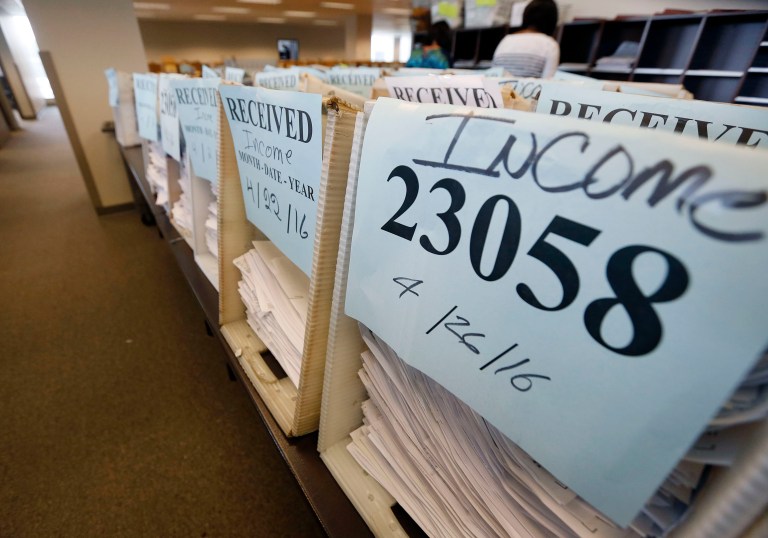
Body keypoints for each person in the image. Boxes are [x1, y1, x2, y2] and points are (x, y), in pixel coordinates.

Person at [492, 0, 560, 78]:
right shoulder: (550, 44)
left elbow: (493, 75)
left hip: (499, 89)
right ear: (552, 21)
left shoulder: (505, 40)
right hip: (531, 89)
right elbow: (549, 82)